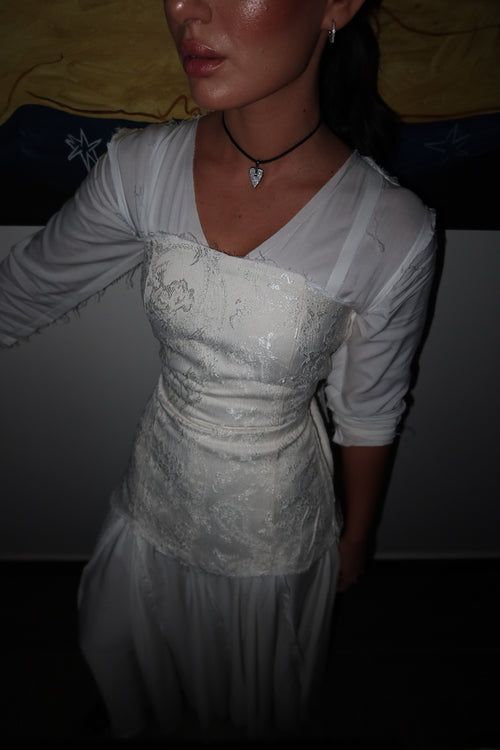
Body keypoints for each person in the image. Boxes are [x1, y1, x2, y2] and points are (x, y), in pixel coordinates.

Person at [0, 0, 436, 741]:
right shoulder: (142, 166)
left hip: (273, 539)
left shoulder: (393, 228)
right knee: (136, 687)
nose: (183, 9)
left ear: (336, 7)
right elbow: (25, 288)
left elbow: (369, 408)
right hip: (152, 503)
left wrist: (355, 541)